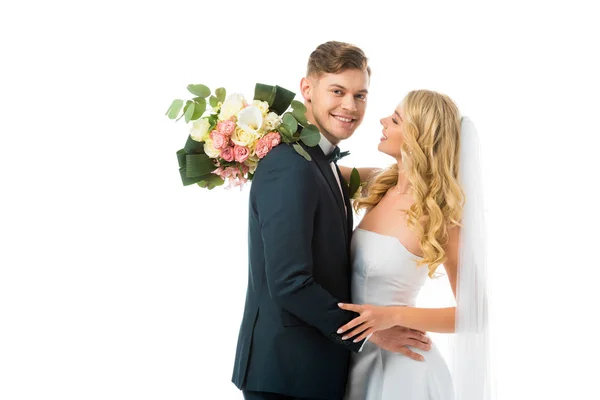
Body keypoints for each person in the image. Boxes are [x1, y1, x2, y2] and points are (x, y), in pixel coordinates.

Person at [231, 41, 432, 400]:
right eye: (337, 91)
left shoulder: (321, 163)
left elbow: (397, 180)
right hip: (286, 376)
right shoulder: (289, 166)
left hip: (316, 372)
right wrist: (371, 332)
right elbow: (290, 282)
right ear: (307, 89)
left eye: (360, 95)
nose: (350, 107)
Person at [337, 90, 491, 399]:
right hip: (355, 357)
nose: (381, 121)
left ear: (419, 138)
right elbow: (312, 172)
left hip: (405, 370)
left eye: (395, 119)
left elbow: (475, 314)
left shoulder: (440, 216)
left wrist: (392, 316)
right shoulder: (378, 183)